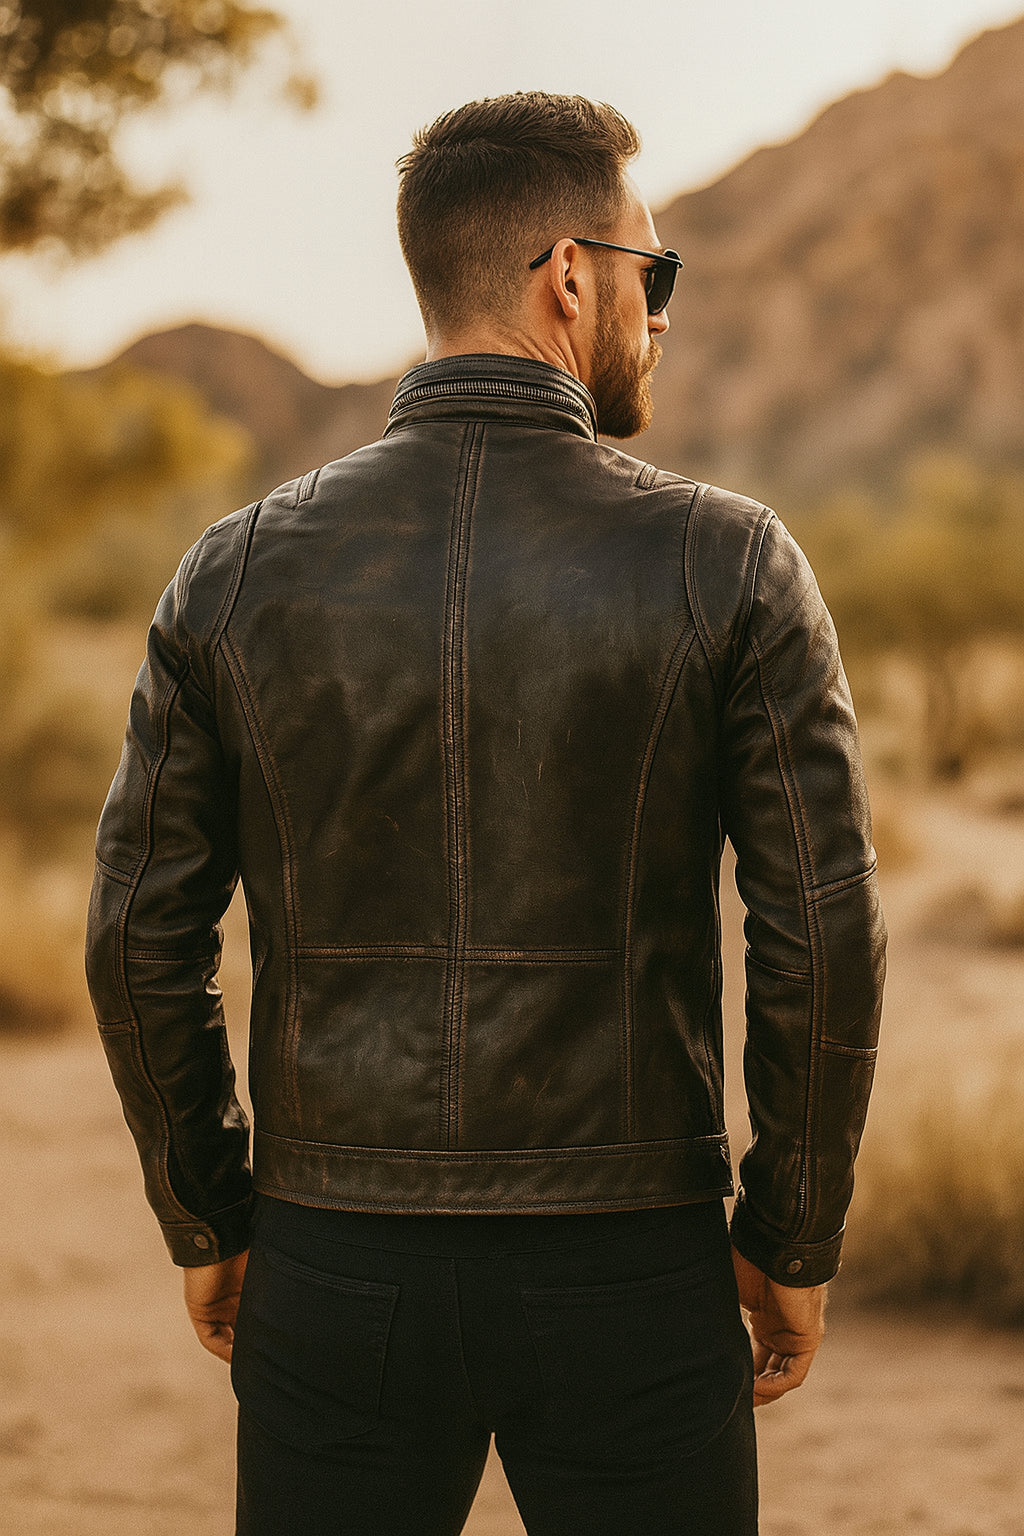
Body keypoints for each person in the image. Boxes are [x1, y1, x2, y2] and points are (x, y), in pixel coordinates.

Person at [86, 92, 886, 1536]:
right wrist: (791, 1232)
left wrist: (210, 1210)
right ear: (569, 276)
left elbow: (138, 933)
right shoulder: (730, 561)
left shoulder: (235, 570)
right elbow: (824, 933)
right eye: (657, 270)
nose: (662, 308)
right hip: (632, 1270)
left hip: (334, 1265)